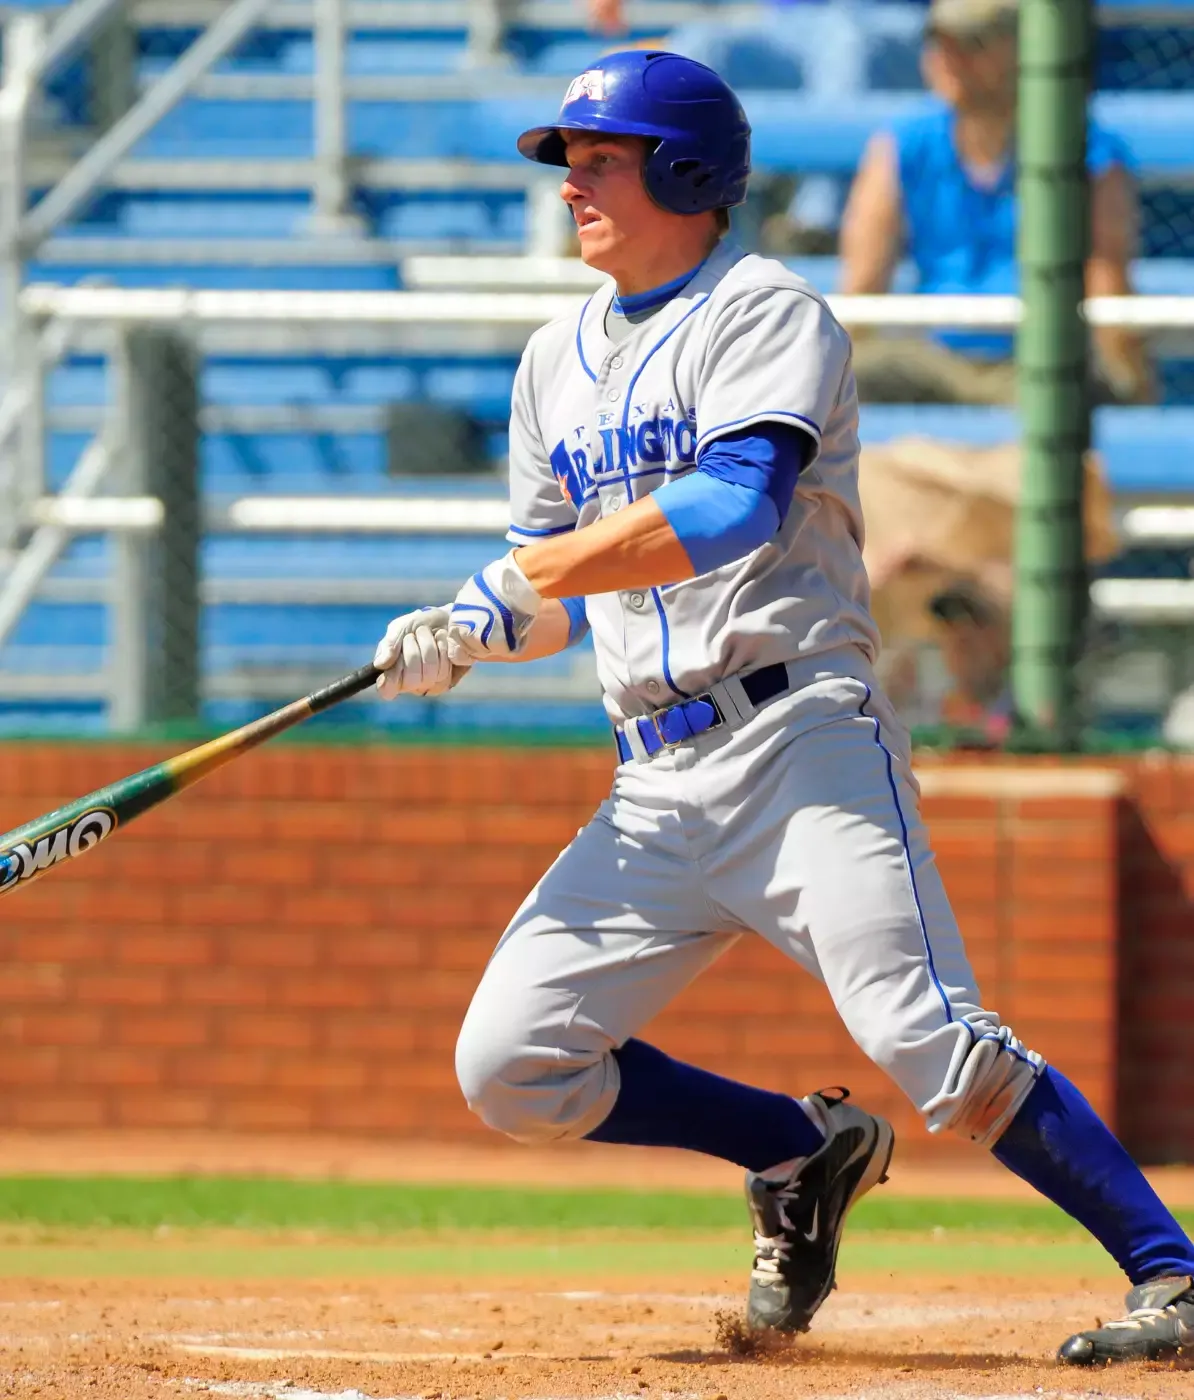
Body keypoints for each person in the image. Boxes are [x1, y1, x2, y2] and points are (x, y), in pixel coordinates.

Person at [371, 49, 1194, 1365]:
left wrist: (527, 576)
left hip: (798, 744)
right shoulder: (549, 361)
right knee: (511, 1068)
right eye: (566, 161)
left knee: (926, 1034)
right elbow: (557, 599)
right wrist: (466, 635)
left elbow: (727, 509)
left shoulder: (765, 312)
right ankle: (801, 1152)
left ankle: (1172, 1272)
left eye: (600, 158)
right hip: (650, 782)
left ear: (687, 172)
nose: (570, 183)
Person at [840, 0, 1151, 405]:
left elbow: (1106, 280)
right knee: (835, 386)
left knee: (1056, 398)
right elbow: (862, 286)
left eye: (972, 43)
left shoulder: (1087, 151)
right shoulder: (899, 145)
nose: (948, 58)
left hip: (1039, 358)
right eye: (939, 42)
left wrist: (1132, 392)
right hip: (936, 360)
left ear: (1023, 48)